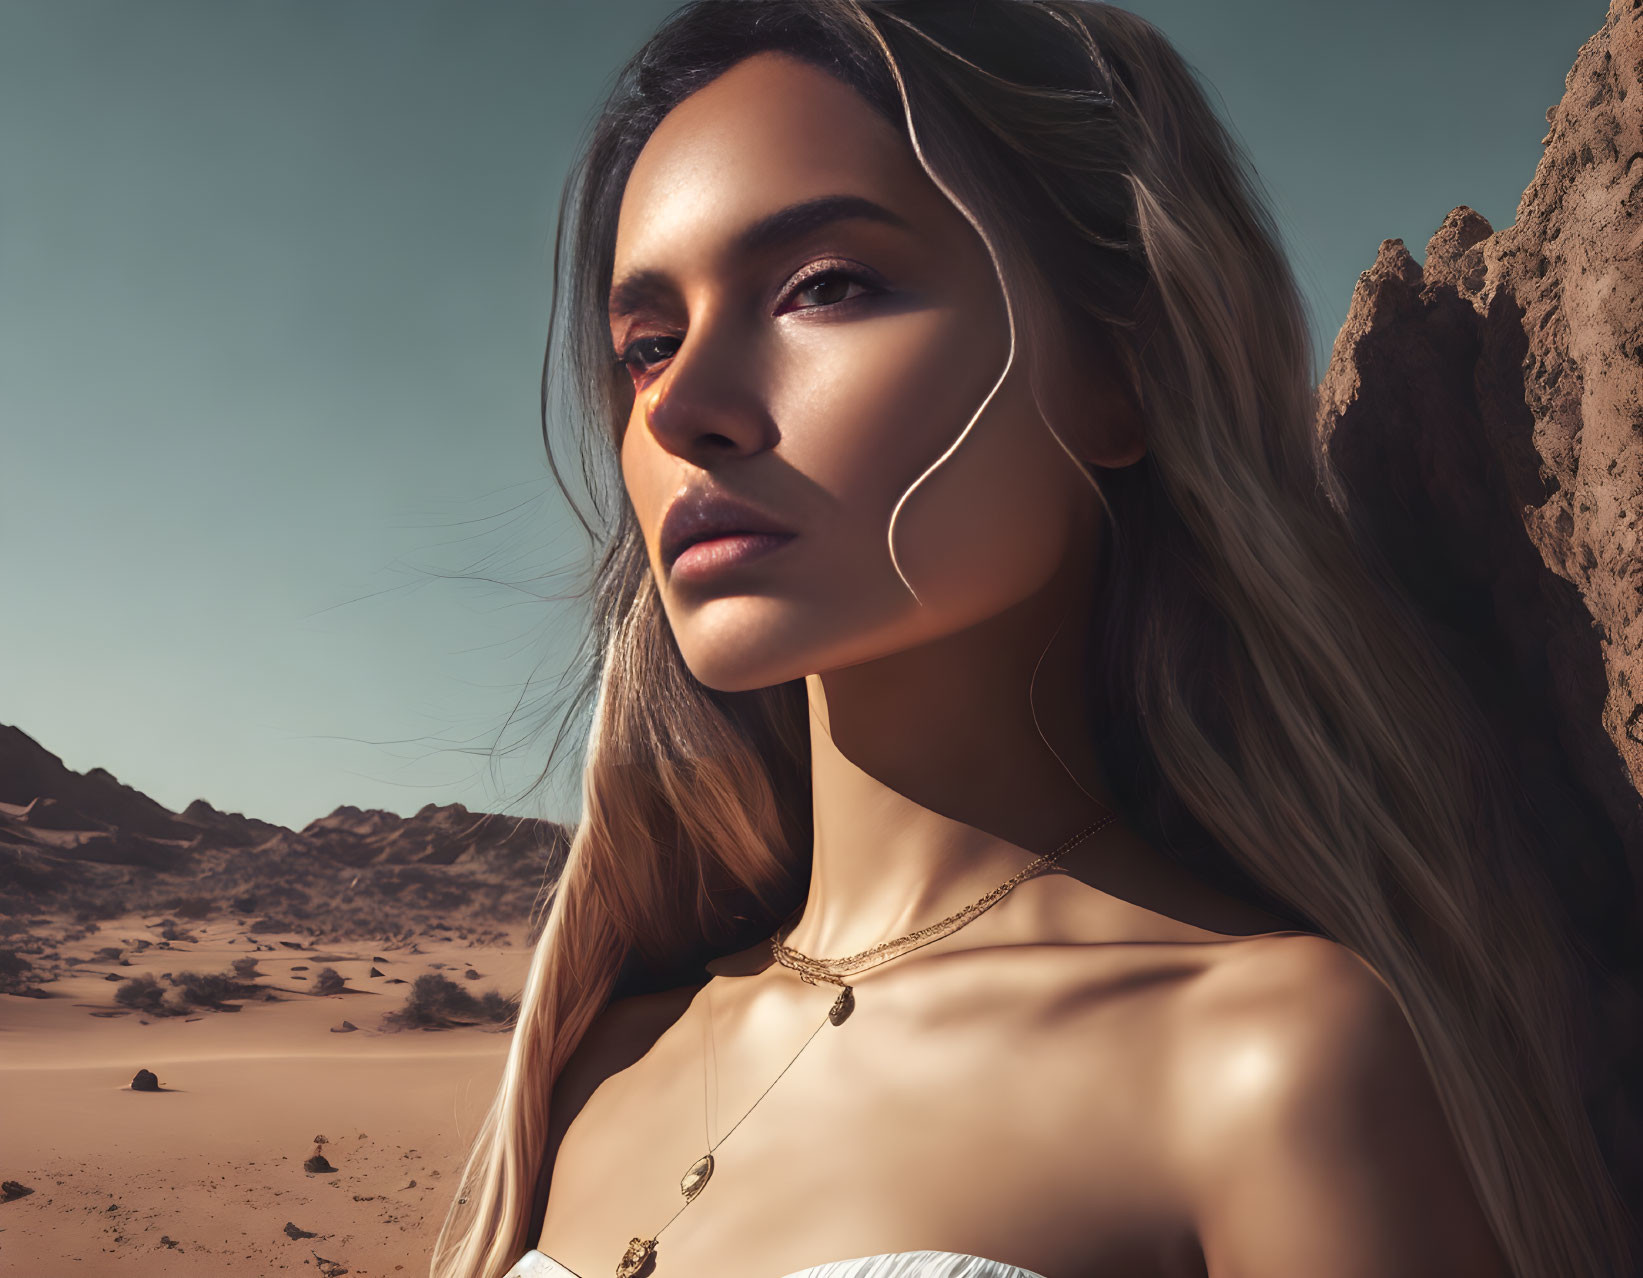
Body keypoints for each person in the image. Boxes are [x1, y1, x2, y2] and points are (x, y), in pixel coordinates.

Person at [431, 3, 1636, 1277]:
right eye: (646, 345)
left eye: (823, 287)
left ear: (1120, 370)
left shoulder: (1265, 1070)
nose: (682, 407)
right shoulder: (599, 1064)